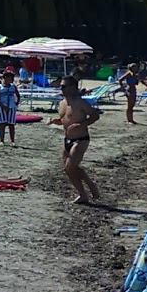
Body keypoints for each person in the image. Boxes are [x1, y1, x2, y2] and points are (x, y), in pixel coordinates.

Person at [53, 76, 102, 204]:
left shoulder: (80, 103)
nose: (61, 88)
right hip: (67, 139)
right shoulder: (62, 103)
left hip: (80, 139)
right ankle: (82, 194)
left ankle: (91, 185)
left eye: (64, 86)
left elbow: (95, 115)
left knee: (71, 166)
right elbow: (65, 120)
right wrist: (55, 121)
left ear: (72, 87)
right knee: (68, 169)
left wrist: (82, 124)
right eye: (61, 86)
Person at [0, 69, 21, 144]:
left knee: (11, 124)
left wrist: (16, 103)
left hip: (11, 107)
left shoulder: (13, 87)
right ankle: (1, 140)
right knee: (2, 124)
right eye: (10, 78)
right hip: (2, 107)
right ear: (5, 78)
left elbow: (18, 95)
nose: (12, 80)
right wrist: (2, 106)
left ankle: (12, 141)